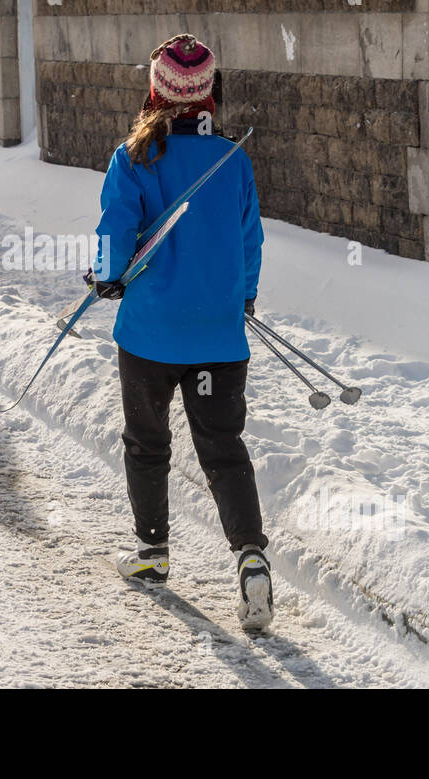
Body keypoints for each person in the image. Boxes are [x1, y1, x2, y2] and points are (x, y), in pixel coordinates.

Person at [92, 34, 273, 631]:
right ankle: (250, 558)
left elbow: (115, 231)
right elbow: (250, 242)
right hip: (219, 338)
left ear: (156, 92)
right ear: (208, 97)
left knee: (147, 444)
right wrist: (243, 296)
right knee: (223, 449)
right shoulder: (234, 160)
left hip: (149, 336)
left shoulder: (134, 158)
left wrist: (106, 277)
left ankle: (152, 552)